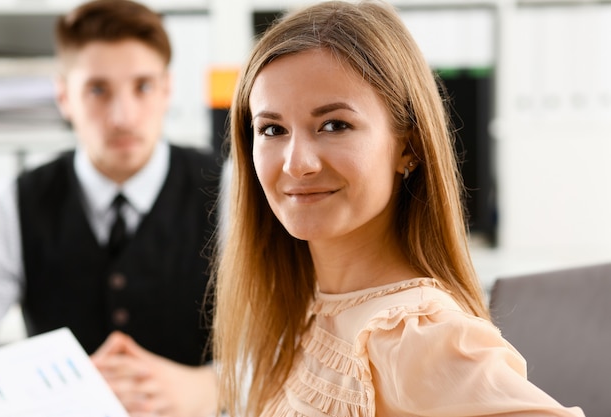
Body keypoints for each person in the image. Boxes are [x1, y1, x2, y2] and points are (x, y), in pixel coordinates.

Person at [212, 1, 585, 416]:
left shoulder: (417, 337)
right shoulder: (310, 307)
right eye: (272, 129)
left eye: (334, 125)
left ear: (407, 146)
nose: (297, 163)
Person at [0, 1, 219, 416]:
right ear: (63, 96)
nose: (122, 116)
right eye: (97, 90)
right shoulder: (11, 204)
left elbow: (293, 348)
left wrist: (213, 387)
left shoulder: (232, 190)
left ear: (167, 90)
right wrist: (43, 389)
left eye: (143, 86)